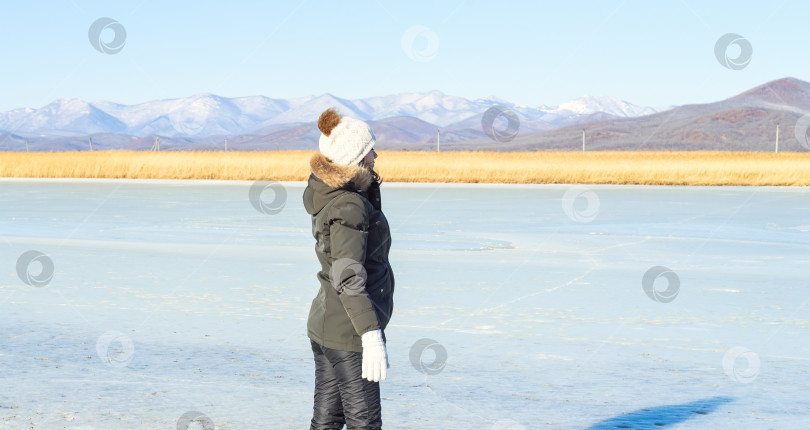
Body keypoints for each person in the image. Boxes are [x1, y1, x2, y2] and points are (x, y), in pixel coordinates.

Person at [302, 107, 395, 429]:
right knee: (364, 423)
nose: (376, 153)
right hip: (348, 331)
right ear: (355, 156)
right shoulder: (348, 205)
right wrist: (370, 336)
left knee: (328, 419)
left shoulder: (334, 193)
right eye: (370, 148)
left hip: (327, 321)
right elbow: (348, 276)